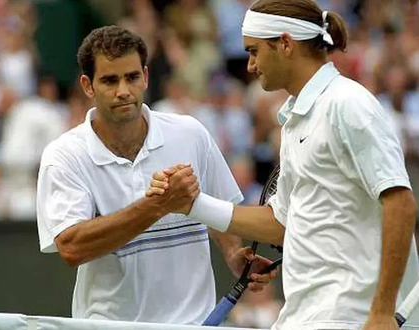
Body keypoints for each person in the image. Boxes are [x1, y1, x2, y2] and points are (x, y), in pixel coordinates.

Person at [147, 1, 419, 330]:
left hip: (350, 316)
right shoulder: (296, 118)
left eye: (254, 51)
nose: (249, 65)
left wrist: (381, 311)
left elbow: (400, 203)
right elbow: (280, 222)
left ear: (286, 44)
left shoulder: (348, 104)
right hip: (305, 314)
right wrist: (193, 204)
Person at [35, 25, 276, 325]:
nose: (123, 90)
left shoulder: (191, 133)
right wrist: (158, 205)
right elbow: (72, 247)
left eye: (132, 77)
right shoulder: (64, 155)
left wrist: (232, 254)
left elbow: (219, 208)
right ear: (88, 85)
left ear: (146, 77)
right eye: (110, 80)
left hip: (192, 320)